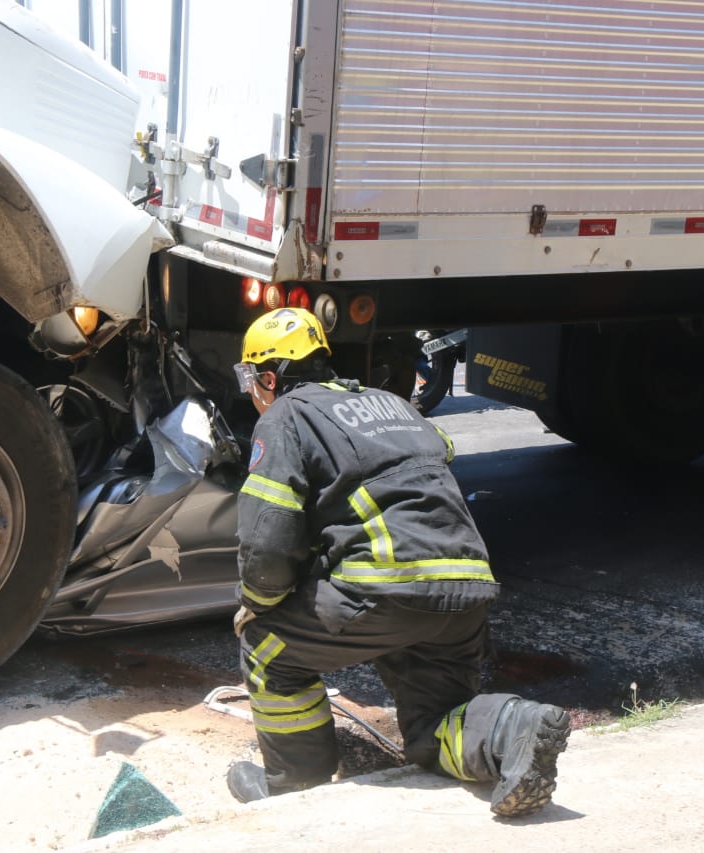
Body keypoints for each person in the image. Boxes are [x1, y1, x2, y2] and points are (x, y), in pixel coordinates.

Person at [225, 306, 569, 816]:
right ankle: (514, 727)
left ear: (269, 376)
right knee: (433, 728)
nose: (251, 390)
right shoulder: (393, 404)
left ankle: (294, 780)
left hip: (384, 585)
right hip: (466, 587)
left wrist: (256, 602)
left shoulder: (286, 416)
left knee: (267, 649)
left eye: (250, 378)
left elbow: (268, 543)